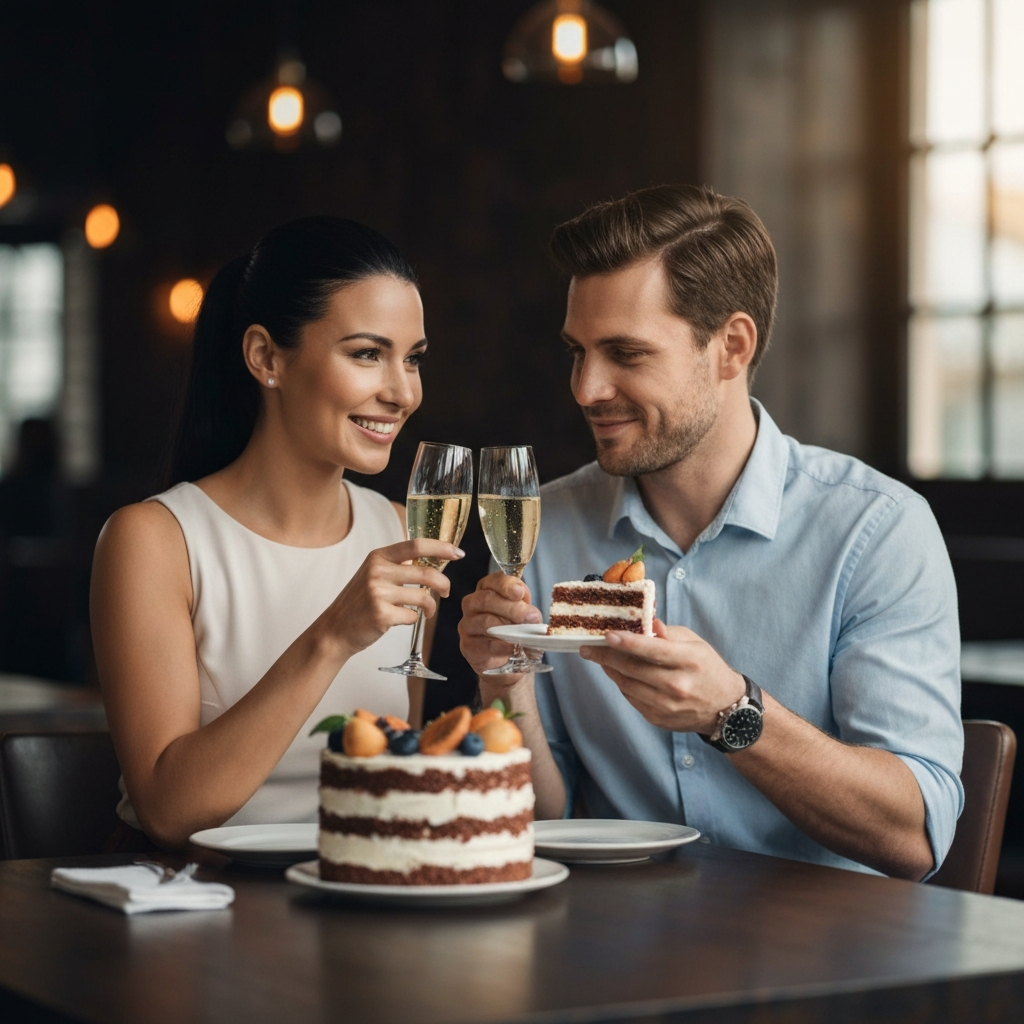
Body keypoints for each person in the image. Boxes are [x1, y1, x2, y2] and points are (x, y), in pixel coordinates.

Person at [459, 185, 962, 881]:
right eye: (578, 351)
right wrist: (504, 683)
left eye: (626, 354)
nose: (585, 387)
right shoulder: (541, 529)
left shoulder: (876, 532)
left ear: (731, 346)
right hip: (605, 954)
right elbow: (546, 817)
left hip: (829, 961)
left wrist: (733, 712)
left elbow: (913, 837)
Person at [91, 217, 463, 850]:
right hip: (198, 915)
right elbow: (167, 809)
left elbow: (399, 775)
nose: (402, 392)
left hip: (365, 902)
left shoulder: (399, 527)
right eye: (368, 353)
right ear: (266, 357)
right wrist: (331, 637)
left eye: (414, 359)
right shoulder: (153, 541)